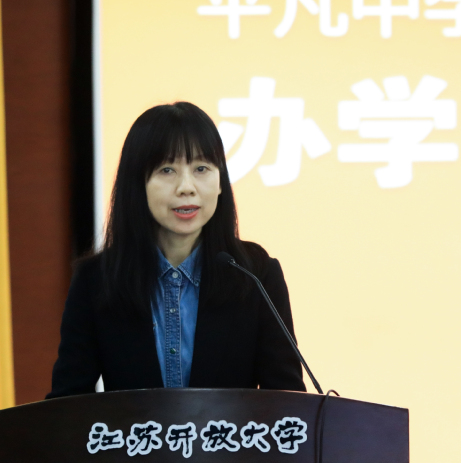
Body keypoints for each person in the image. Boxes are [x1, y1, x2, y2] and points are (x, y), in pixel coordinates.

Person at [46, 103, 306, 398]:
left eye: (201, 169)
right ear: (138, 184)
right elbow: (66, 405)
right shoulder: (97, 281)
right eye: (167, 170)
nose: (186, 187)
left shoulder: (256, 274)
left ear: (221, 182)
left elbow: (289, 405)